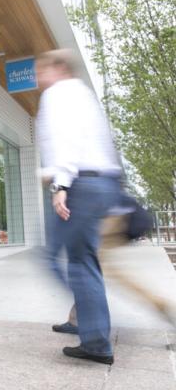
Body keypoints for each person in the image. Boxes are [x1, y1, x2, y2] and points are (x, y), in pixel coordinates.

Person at [36, 49, 123, 365]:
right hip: (99, 183)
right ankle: (87, 321)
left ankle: (95, 336)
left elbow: (67, 142)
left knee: (60, 258)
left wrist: (61, 186)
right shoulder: (83, 94)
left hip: (80, 185)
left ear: (58, 68)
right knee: (82, 259)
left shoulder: (58, 93)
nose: (37, 77)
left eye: (40, 69)